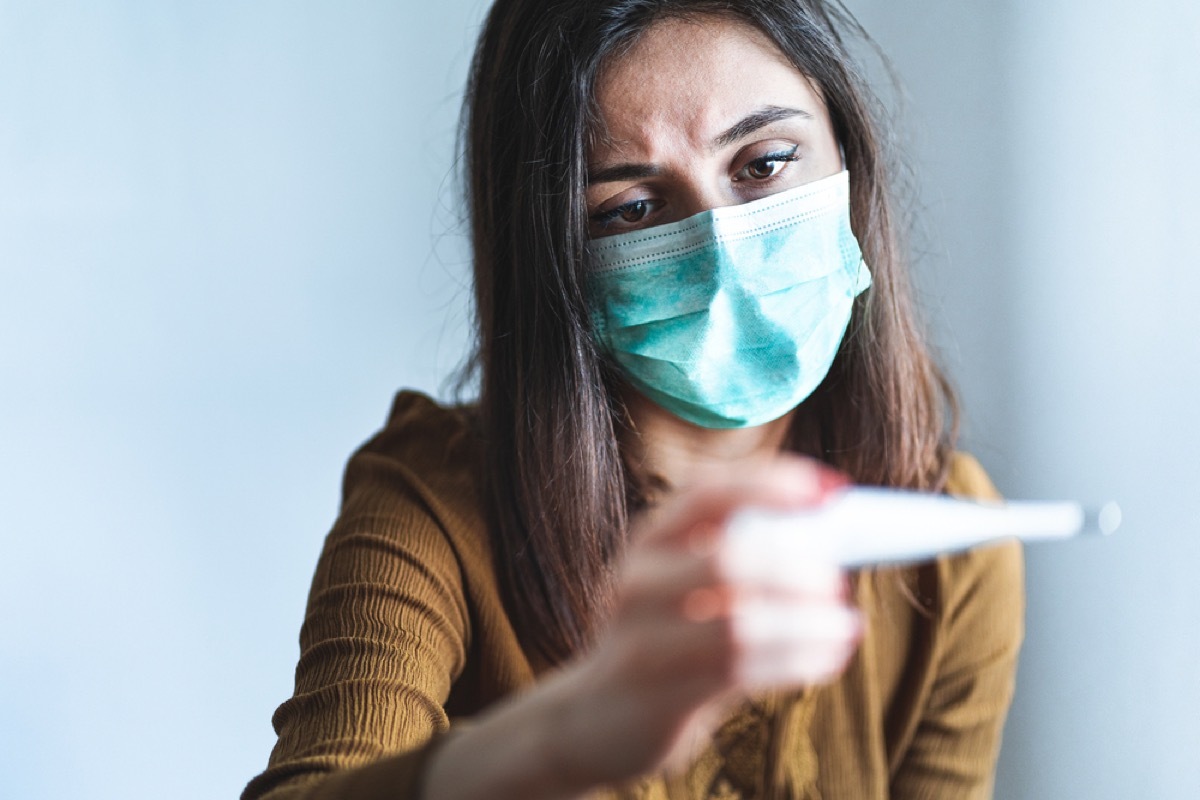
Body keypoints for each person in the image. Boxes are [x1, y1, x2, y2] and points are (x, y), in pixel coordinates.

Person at [242, 1, 1024, 798]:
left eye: (765, 161)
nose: (723, 247)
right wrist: (563, 736)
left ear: (848, 156)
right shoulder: (434, 507)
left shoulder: (952, 543)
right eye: (632, 210)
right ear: (556, 261)